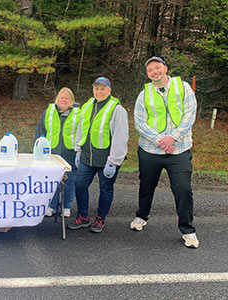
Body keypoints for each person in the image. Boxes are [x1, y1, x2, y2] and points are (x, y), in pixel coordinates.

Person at [130, 56, 199, 249]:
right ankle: (141, 216)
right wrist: (160, 140)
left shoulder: (183, 87)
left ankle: (187, 229)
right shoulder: (144, 94)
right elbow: (139, 122)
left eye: (157, 68)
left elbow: (189, 114)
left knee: (183, 189)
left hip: (179, 149)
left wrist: (173, 138)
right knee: (146, 186)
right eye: (151, 70)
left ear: (165, 68)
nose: (154, 72)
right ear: (147, 73)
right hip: (151, 149)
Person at [68, 77, 128, 233]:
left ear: (109, 90)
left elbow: (121, 137)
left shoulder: (117, 110)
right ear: (93, 90)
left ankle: (100, 218)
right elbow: (81, 129)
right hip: (87, 157)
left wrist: (114, 161)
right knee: (80, 185)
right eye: (96, 88)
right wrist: (78, 150)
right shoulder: (88, 106)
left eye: (103, 89)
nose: (99, 92)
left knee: (105, 189)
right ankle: (83, 217)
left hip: (106, 159)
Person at [35, 87, 80, 217]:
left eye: (67, 98)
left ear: (71, 100)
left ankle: (67, 206)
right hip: (51, 152)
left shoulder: (79, 113)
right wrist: (38, 148)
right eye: (62, 97)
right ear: (57, 99)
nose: (64, 100)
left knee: (70, 181)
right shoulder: (48, 112)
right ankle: (52, 206)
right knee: (52, 180)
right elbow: (40, 131)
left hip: (70, 152)